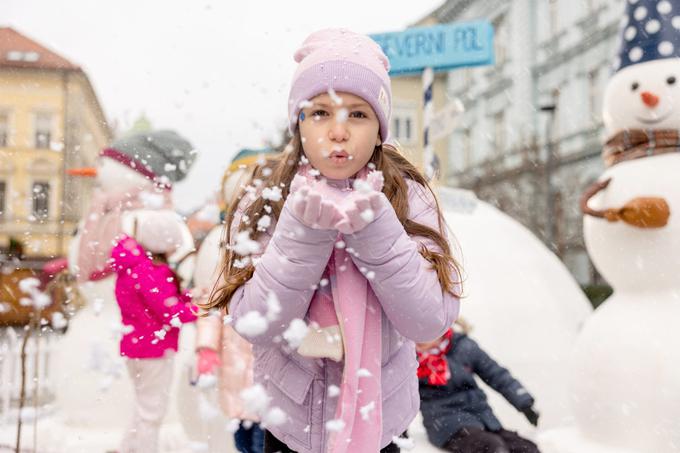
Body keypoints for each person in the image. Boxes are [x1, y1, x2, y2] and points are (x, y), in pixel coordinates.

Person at [206, 28, 461, 453]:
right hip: (290, 424)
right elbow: (256, 322)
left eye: (357, 114)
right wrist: (304, 233)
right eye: (320, 112)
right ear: (298, 123)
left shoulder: (407, 195)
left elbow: (428, 319)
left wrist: (375, 229)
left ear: (379, 128)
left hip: (378, 419)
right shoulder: (265, 196)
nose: (338, 131)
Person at [110, 211, 198, 453]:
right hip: (153, 350)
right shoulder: (151, 272)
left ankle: (127, 449)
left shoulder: (133, 268)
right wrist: (202, 308)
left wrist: (189, 298)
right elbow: (172, 313)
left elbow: (162, 303)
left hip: (137, 346)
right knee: (152, 412)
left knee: (143, 407)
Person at [417, 321, 541, 453]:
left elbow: (495, 373)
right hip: (446, 423)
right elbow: (399, 396)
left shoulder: (463, 347)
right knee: (492, 447)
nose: (419, 340)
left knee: (526, 448)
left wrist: (523, 402)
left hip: (481, 416)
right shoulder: (411, 359)